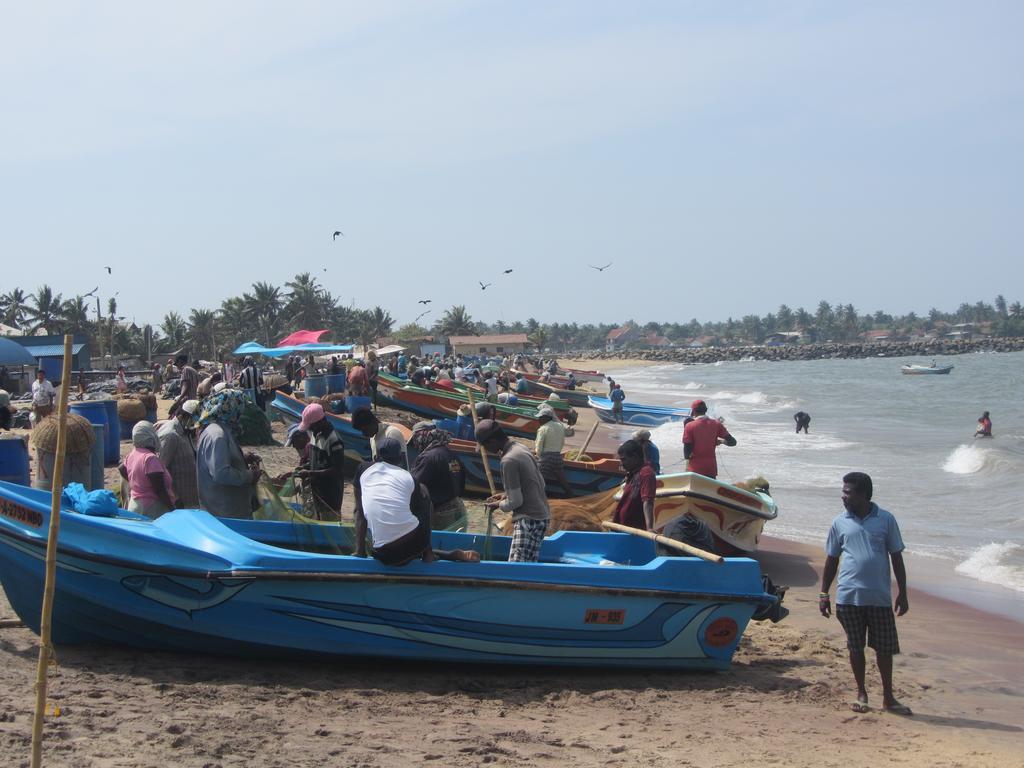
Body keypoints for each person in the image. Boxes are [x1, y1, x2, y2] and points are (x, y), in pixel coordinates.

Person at [820, 472, 910, 716]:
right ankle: (861, 692)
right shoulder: (839, 522)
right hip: (848, 596)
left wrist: (902, 592)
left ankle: (889, 697)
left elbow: (896, 556)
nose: (843, 496)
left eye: (848, 492)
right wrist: (823, 593)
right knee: (855, 646)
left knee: (884, 648)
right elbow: (831, 559)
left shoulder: (886, 519)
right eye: (843, 491)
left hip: (879, 597)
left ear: (863, 495)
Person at [354, 438, 479, 565]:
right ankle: (429, 553)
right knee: (422, 491)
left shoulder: (362, 469)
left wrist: (360, 551)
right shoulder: (408, 477)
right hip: (415, 545)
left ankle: (433, 553)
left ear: (375, 457)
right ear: (400, 458)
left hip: (384, 555)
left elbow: (360, 512)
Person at [477, 420, 550, 562]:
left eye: (485, 446)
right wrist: (504, 495)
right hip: (542, 518)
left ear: (492, 441)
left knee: (516, 567)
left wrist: (499, 505)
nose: (485, 450)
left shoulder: (508, 460)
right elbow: (539, 483)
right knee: (529, 566)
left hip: (528, 520)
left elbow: (516, 501)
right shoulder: (520, 448)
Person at [195, 389, 260, 518]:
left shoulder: (217, 430)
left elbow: (217, 461)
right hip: (224, 512)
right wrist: (249, 476)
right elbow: (221, 473)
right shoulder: (217, 435)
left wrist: (242, 459)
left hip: (224, 509)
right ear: (232, 409)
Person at [408, 421, 468, 530]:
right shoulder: (451, 454)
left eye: (415, 441)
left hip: (441, 514)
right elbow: (463, 484)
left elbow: (415, 487)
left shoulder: (427, 458)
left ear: (421, 437)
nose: (415, 445)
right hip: (459, 509)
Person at [293, 403, 346, 517]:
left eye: (311, 426)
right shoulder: (315, 435)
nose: (310, 429)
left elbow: (336, 470)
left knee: (329, 525)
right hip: (316, 493)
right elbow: (316, 461)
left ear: (319, 422)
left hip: (330, 496)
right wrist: (302, 468)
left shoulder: (333, 440)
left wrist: (309, 473)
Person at [119, 421, 176, 518]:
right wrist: (173, 509)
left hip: (135, 505)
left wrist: (137, 484)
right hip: (152, 508)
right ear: (150, 436)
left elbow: (122, 468)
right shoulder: (150, 458)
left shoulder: (133, 454)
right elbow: (159, 490)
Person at [157, 399, 200, 509]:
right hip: (180, 500)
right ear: (184, 416)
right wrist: (175, 497)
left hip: (192, 497)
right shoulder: (171, 435)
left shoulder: (186, 431)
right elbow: (160, 469)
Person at [682, 400, 736, 478]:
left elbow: (687, 452)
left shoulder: (689, 426)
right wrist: (721, 441)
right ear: (706, 410)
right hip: (711, 469)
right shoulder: (717, 424)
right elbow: (732, 442)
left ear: (693, 411)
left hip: (695, 469)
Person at [612, 439, 656, 530]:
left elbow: (648, 501)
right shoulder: (633, 473)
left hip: (634, 531)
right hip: (622, 528)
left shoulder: (646, 473)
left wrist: (649, 528)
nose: (622, 464)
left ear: (635, 457)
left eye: (624, 459)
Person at [534, 405, 572, 496]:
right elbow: (562, 442)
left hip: (546, 458)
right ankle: (570, 494)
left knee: (538, 480)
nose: (538, 420)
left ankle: (537, 497)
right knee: (562, 480)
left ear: (546, 418)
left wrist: (538, 456)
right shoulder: (560, 426)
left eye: (540, 418)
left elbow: (539, 446)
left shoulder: (543, 429)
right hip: (557, 456)